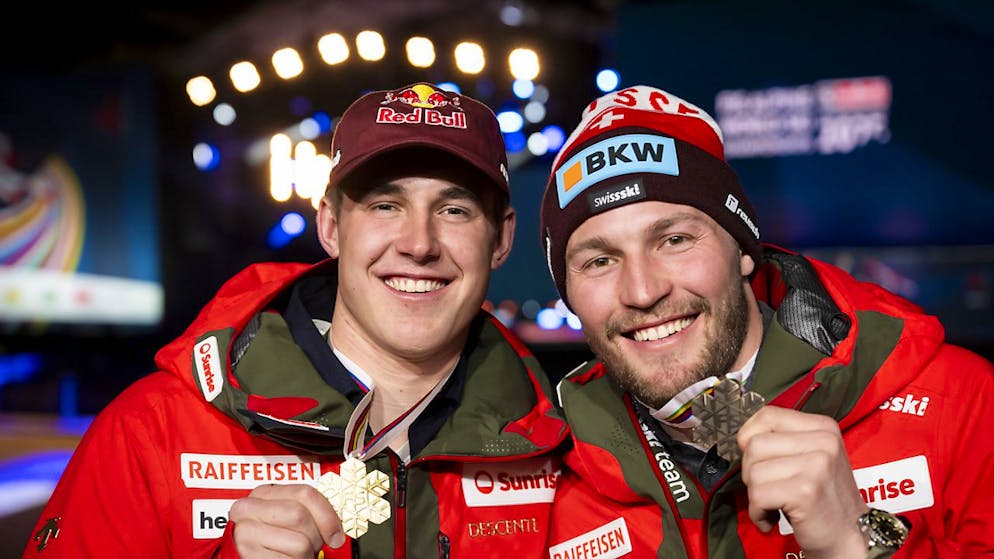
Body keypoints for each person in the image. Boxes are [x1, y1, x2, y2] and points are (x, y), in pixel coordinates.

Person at [23, 82, 568, 558]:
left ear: (501, 239)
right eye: (384, 205)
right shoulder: (154, 432)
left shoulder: (561, 447)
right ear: (331, 226)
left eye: (454, 210)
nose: (419, 244)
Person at [539, 85, 994, 558]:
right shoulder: (548, 476)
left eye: (674, 240)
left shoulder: (961, 403)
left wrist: (852, 545)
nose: (643, 291)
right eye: (599, 261)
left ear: (742, 252)